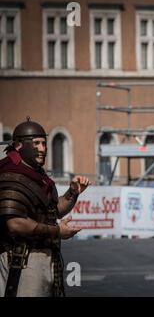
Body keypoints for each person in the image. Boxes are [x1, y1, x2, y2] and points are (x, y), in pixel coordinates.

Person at [0, 118, 90, 297]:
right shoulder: (12, 175)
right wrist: (57, 232)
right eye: (36, 143)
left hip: (41, 258)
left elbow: (55, 210)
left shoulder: (37, 174)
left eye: (44, 143)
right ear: (18, 145)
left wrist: (73, 192)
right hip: (21, 261)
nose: (43, 149)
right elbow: (15, 223)